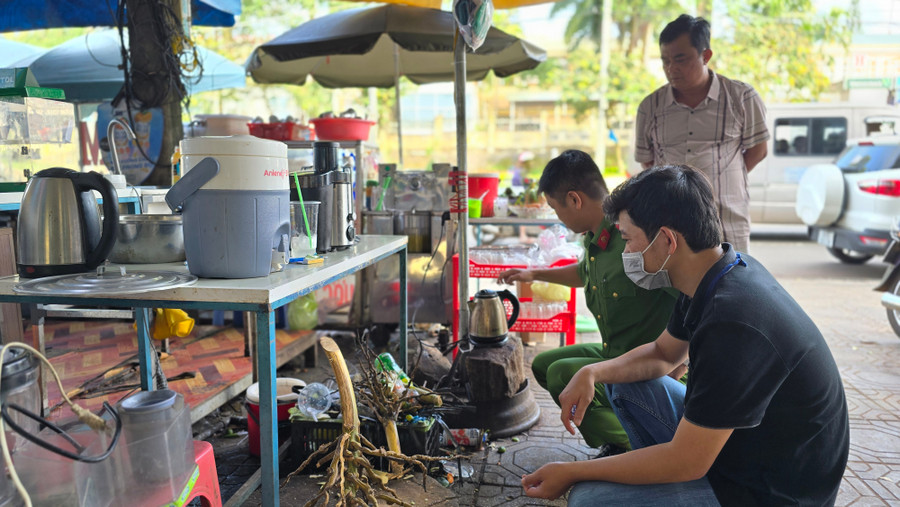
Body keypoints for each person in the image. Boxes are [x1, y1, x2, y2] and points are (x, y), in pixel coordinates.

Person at [521, 164, 849, 506]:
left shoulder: (733, 321)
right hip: (740, 443)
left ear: (666, 240)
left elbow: (688, 461)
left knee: (590, 499)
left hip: (773, 488)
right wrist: (592, 372)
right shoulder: (714, 274)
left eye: (629, 239)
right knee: (621, 380)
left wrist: (575, 472)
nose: (625, 253)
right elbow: (663, 355)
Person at [497, 150, 679, 457]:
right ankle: (626, 435)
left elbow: (692, 300)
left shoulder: (636, 238)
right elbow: (586, 273)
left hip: (653, 365)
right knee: (543, 365)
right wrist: (534, 273)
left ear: (575, 200)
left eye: (556, 209)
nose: (558, 218)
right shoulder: (597, 236)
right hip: (617, 352)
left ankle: (641, 446)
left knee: (561, 374)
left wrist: (679, 364)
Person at [634, 14, 769, 253]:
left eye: (680, 59)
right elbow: (648, 162)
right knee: (676, 289)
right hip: (671, 226)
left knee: (729, 286)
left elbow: (758, 150)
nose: (671, 69)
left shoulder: (742, 98)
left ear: (705, 56)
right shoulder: (650, 107)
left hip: (727, 222)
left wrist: (721, 176)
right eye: (665, 61)